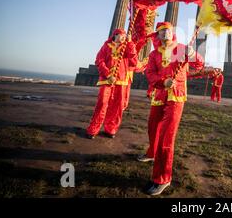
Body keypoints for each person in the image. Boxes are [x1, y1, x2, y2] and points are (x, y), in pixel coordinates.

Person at [137, 21, 204, 196]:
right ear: (158, 35)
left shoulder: (182, 48)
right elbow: (150, 73)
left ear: (172, 32)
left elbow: (199, 65)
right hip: (159, 96)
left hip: (176, 97)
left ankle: (162, 179)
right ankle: (152, 153)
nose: (165, 32)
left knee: (166, 138)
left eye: (168, 30)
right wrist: (162, 81)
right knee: (153, 128)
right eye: (161, 31)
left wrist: (193, 55)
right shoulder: (153, 55)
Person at [86, 29, 138, 139]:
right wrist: (108, 74)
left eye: (124, 36)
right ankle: (93, 129)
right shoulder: (106, 46)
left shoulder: (126, 47)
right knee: (102, 104)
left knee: (117, 106)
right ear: (115, 36)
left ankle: (111, 129)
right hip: (107, 80)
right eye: (121, 35)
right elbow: (99, 61)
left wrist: (130, 43)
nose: (123, 37)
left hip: (121, 81)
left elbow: (133, 61)